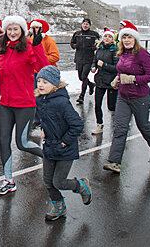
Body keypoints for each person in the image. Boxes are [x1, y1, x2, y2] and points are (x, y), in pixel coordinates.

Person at [0, 15, 49, 195]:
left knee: (22, 143)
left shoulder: (29, 48)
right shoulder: (4, 49)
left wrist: (39, 46)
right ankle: (8, 180)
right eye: (9, 29)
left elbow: (44, 68)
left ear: (22, 31)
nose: (12, 32)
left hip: (24, 104)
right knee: (3, 141)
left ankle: (50, 158)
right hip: (6, 104)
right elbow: (3, 73)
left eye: (16, 29)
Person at [35, 65, 92, 221]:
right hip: (49, 146)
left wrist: (64, 143)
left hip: (65, 149)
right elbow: (43, 118)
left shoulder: (61, 102)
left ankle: (80, 185)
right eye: (39, 81)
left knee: (58, 181)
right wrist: (43, 128)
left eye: (45, 82)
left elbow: (77, 125)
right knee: (48, 181)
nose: (40, 85)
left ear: (54, 84)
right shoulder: (40, 99)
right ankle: (59, 207)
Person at [103, 23, 150, 174]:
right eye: (124, 37)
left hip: (140, 97)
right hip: (123, 96)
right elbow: (121, 69)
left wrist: (133, 79)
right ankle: (114, 162)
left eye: (129, 37)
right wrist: (117, 79)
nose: (127, 40)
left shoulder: (142, 54)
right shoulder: (122, 52)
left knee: (143, 125)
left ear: (135, 39)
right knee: (120, 128)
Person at [28, 19, 60, 127]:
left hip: (47, 72)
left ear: (41, 29)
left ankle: (50, 118)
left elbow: (56, 56)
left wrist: (40, 57)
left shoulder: (48, 40)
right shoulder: (30, 40)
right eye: (33, 28)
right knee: (35, 96)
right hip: (34, 73)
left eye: (37, 28)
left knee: (47, 97)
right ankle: (36, 119)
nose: (35, 30)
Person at [90, 29, 119, 134]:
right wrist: (93, 67)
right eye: (105, 36)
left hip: (111, 81)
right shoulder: (99, 49)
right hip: (100, 80)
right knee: (97, 104)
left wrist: (104, 65)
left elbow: (117, 68)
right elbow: (94, 61)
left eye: (109, 37)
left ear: (112, 39)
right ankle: (99, 125)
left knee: (111, 106)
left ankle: (118, 124)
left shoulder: (115, 50)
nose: (107, 38)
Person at [70, 18, 100, 104]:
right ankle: (91, 84)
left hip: (89, 58)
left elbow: (98, 44)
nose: (85, 25)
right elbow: (72, 43)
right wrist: (74, 46)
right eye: (84, 24)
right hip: (79, 58)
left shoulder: (94, 34)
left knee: (84, 76)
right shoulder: (77, 34)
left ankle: (81, 96)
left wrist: (95, 47)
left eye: (87, 24)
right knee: (80, 77)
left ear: (89, 25)